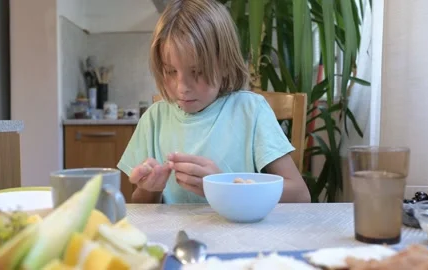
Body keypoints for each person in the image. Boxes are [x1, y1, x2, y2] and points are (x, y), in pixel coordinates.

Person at [117, 0, 311, 204]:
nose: (182, 87)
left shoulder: (251, 111)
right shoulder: (153, 120)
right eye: (171, 71)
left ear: (225, 64)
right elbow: (139, 205)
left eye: (198, 71)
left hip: (239, 234)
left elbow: (300, 195)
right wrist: (150, 189)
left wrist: (226, 187)